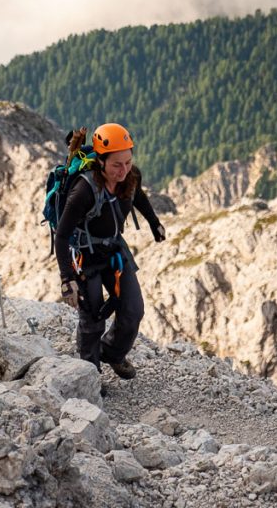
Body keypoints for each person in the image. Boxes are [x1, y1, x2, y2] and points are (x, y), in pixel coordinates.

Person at [55, 122, 166, 379]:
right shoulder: (83, 190)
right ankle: (90, 375)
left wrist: (154, 223)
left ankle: (113, 352)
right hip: (85, 255)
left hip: (114, 250)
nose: (124, 170)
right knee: (92, 319)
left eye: (128, 162)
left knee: (133, 310)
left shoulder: (130, 176)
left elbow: (138, 196)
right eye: (117, 164)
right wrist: (66, 279)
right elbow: (61, 237)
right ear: (100, 162)